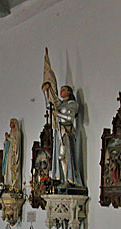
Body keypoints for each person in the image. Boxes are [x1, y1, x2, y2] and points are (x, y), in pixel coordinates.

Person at [41, 49, 83, 190]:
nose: (61, 91)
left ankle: (70, 180)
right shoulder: (61, 104)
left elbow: (70, 117)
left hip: (67, 132)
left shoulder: (72, 104)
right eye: (61, 89)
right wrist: (48, 88)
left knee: (67, 157)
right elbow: (52, 103)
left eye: (64, 90)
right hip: (59, 132)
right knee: (59, 157)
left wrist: (58, 115)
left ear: (70, 92)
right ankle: (62, 179)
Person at [2, 118, 22, 192]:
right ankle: (8, 184)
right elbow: (6, 144)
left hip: (13, 154)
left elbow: (16, 143)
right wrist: (6, 139)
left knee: (11, 168)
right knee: (7, 168)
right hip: (8, 153)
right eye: (10, 123)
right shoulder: (10, 133)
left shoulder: (17, 133)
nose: (10, 124)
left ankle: (13, 185)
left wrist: (9, 138)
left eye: (12, 122)